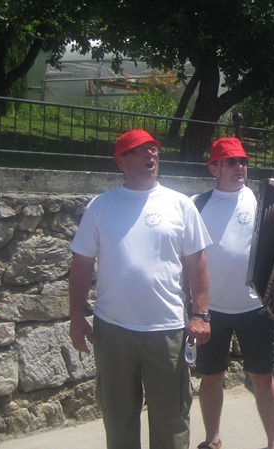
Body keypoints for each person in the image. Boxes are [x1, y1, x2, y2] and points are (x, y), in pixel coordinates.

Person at [68, 129, 212, 449]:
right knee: (118, 419)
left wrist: (200, 314)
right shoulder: (100, 206)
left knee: (171, 420)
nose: (151, 154)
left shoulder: (180, 204)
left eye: (154, 149)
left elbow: (197, 263)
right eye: (140, 150)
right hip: (113, 331)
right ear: (121, 162)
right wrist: (76, 317)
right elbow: (81, 264)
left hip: (167, 330)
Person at [193, 137, 274, 449]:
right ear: (213, 168)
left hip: (255, 307)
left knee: (263, 378)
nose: (239, 166)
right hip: (211, 311)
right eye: (231, 162)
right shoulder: (196, 204)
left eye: (243, 161)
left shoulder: (261, 201)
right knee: (211, 377)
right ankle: (213, 440)